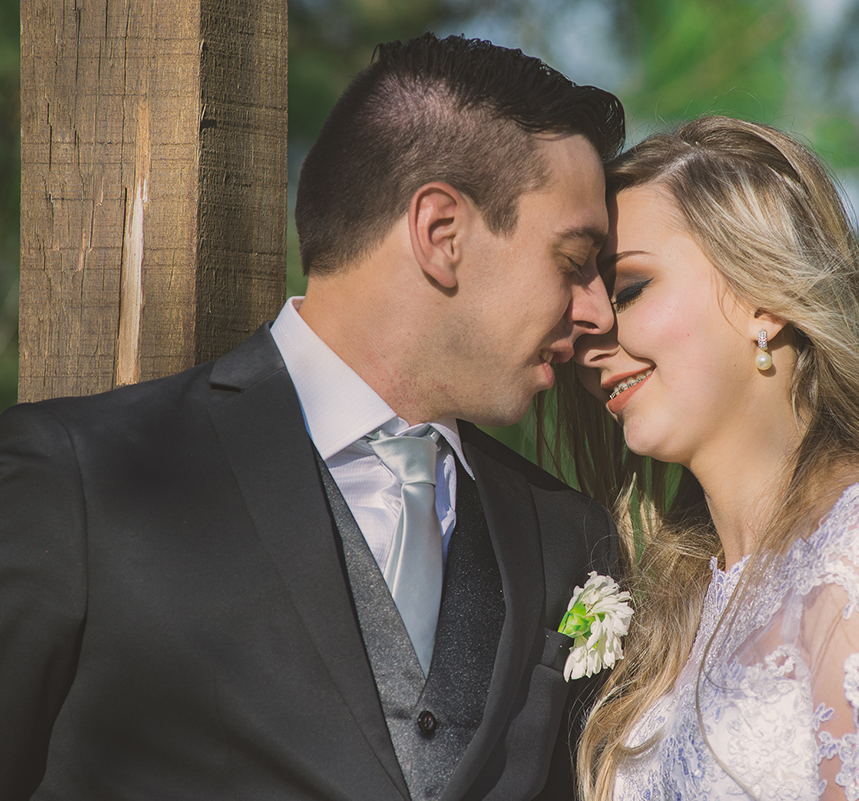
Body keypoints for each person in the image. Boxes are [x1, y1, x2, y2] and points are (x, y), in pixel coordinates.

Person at [0, 34, 624, 801]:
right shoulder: (76, 479)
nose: (597, 309)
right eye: (573, 260)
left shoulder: (567, 536)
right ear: (441, 234)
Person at [548, 116, 859, 800]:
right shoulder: (680, 597)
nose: (589, 335)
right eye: (582, 305)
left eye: (627, 290)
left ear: (763, 299)